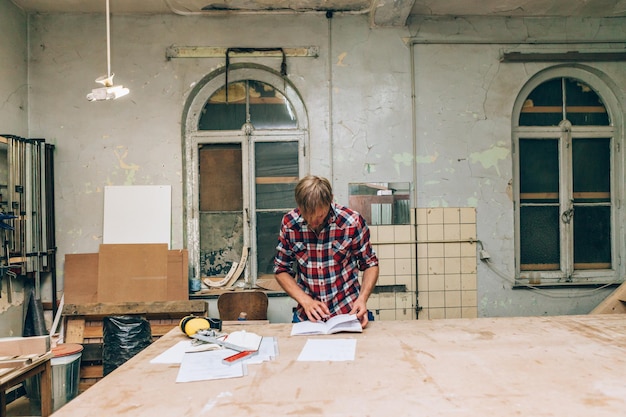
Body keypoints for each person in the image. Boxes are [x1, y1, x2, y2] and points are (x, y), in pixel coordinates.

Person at [273, 175, 379, 327]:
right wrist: (305, 301)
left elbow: (370, 264)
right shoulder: (290, 224)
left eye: (319, 215)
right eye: (307, 216)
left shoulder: (352, 222)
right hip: (308, 316)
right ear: (299, 205)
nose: (313, 222)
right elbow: (281, 269)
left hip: (348, 312)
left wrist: (362, 298)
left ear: (330, 200)